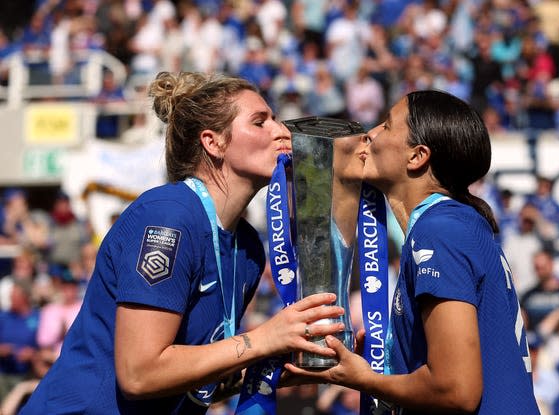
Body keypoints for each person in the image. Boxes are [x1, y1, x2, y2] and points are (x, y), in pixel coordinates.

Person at [19, 71, 345, 414]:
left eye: (276, 120)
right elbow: (139, 374)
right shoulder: (167, 217)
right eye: (260, 121)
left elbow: (195, 382)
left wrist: (274, 363)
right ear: (213, 142)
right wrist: (261, 339)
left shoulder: (247, 247)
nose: (282, 131)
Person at [286, 90, 540, 413]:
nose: (371, 134)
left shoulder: (440, 231)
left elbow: (455, 390)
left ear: (417, 156)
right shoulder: (457, 223)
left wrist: (366, 379)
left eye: (387, 126)